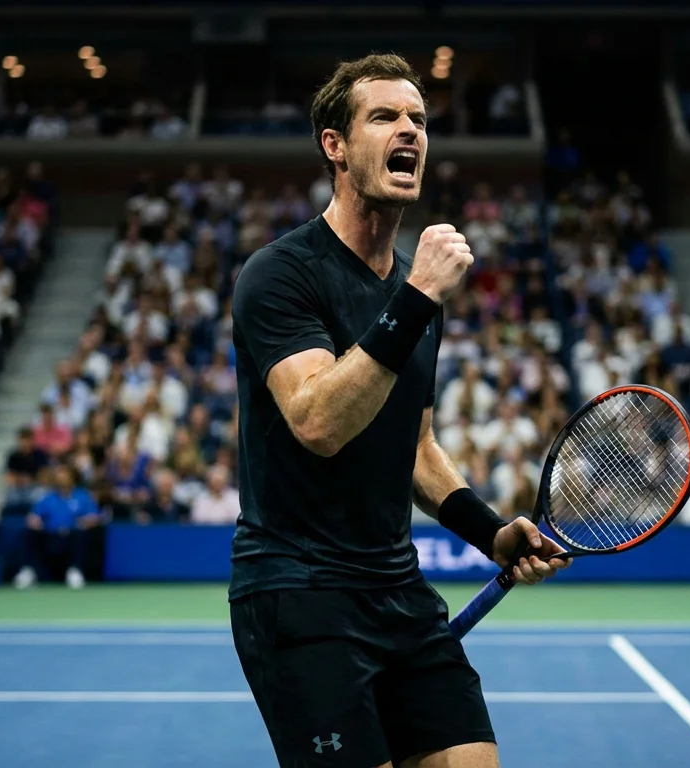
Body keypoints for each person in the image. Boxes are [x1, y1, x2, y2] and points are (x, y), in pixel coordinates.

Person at [228, 53, 567, 768]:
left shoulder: (416, 294)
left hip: (397, 590)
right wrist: (416, 298)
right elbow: (318, 421)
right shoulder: (280, 275)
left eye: (418, 119)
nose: (408, 130)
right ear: (336, 146)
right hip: (300, 592)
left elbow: (415, 448)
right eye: (384, 117)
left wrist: (491, 532)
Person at [15, 463, 101, 589]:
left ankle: (75, 571)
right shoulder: (48, 497)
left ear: (72, 477)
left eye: (65, 474)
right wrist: (35, 521)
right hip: (50, 535)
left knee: (82, 534)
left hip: (73, 534)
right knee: (29, 532)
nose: (61, 477)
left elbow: (94, 517)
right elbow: (33, 516)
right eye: (59, 475)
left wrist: (85, 522)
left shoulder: (82, 495)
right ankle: (29, 571)